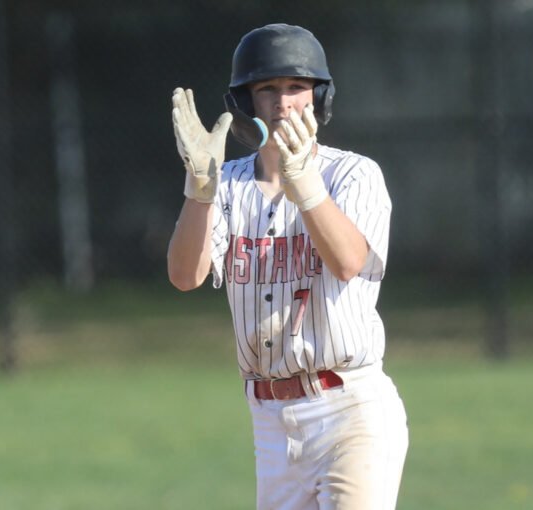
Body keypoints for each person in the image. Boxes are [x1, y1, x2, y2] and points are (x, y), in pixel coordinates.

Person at [167, 23, 408, 510]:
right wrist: (200, 190)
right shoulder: (228, 183)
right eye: (267, 88)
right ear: (246, 101)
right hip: (270, 423)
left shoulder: (353, 174)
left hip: (350, 410)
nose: (282, 102)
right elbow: (185, 276)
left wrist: (305, 183)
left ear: (318, 96)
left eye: (297, 86)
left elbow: (347, 262)